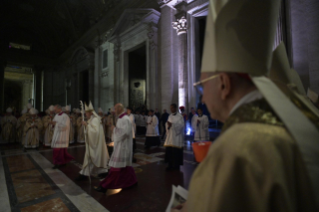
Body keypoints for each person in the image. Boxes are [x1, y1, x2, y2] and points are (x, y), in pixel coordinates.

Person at [175, 1, 318, 211]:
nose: (202, 99)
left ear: (224, 84)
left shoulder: (236, 149)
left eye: (202, 87)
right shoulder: (292, 121)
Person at [94, 103, 137, 193]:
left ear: (119, 109)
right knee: (125, 167)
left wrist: (114, 129)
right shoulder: (121, 118)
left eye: (115, 109)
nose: (114, 111)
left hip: (123, 147)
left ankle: (105, 185)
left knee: (116, 167)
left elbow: (124, 133)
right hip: (120, 145)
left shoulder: (125, 119)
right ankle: (132, 181)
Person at [76, 102, 109, 180]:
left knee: (91, 157)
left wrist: (86, 125)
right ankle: (103, 171)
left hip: (95, 144)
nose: (85, 114)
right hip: (95, 143)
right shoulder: (92, 119)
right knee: (96, 158)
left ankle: (84, 174)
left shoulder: (95, 120)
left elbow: (95, 132)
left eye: (86, 113)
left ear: (90, 113)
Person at [51, 105, 74, 169]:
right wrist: (52, 124)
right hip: (56, 134)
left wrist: (56, 124)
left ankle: (59, 163)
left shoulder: (65, 116)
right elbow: (54, 123)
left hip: (62, 135)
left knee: (59, 150)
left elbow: (65, 126)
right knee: (57, 150)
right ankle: (61, 162)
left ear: (59, 109)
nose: (54, 111)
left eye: (55, 109)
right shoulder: (56, 115)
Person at [164, 104, 184, 171]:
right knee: (170, 151)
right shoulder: (169, 116)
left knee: (176, 152)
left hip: (176, 137)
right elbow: (167, 125)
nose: (171, 109)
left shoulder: (180, 116)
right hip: (170, 136)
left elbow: (181, 125)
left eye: (172, 108)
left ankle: (176, 166)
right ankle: (170, 165)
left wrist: (172, 125)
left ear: (175, 108)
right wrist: (168, 125)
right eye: (170, 108)